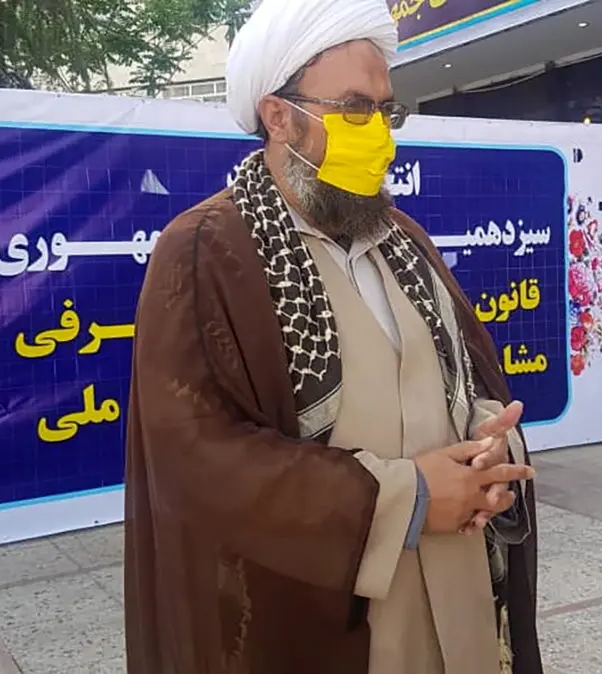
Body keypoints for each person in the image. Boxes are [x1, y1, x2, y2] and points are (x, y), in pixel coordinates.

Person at [123, 0, 542, 671]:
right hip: (330, 623)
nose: (379, 136)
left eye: (385, 111)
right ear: (278, 116)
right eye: (354, 110)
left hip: (458, 593)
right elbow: (198, 458)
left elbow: (463, 385)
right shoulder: (208, 250)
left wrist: (489, 449)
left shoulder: (404, 241)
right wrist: (409, 499)